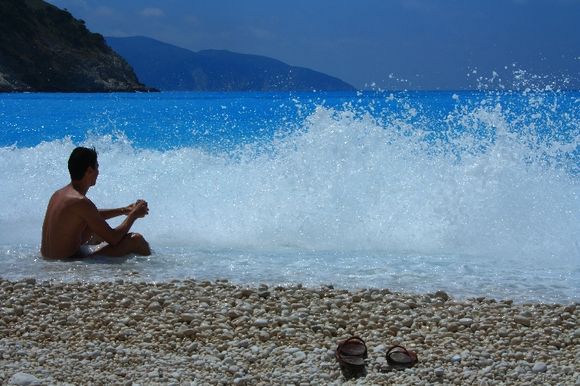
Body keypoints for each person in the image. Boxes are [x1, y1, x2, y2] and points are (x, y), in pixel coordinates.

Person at [41, 146, 151, 259]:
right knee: (136, 240)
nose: (98, 172)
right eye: (97, 167)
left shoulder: (59, 194)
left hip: (48, 259)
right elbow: (113, 238)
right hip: (67, 264)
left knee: (94, 230)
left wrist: (124, 210)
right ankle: (155, 271)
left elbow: (91, 215)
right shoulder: (80, 201)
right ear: (89, 170)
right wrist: (133, 215)